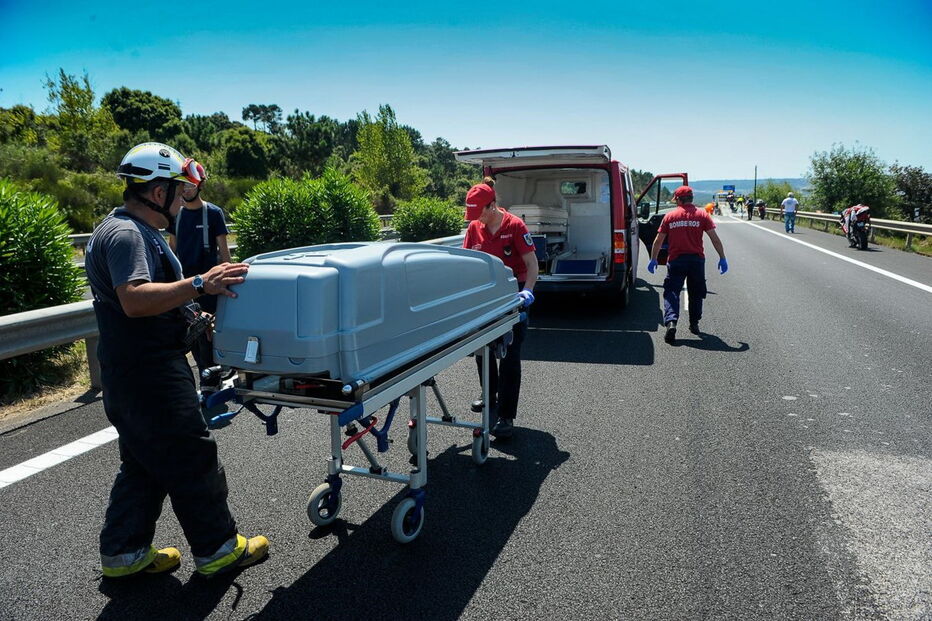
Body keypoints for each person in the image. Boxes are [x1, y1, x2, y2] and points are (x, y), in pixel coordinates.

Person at [85, 142, 268, 579]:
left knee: (144, 462)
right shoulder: (129, 234)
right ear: (158, 190)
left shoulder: (118, 228)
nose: (182, 198)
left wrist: (191, 312)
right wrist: (202, 282)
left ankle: (123, 554)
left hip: (129, 370)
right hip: (151, 374)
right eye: (176, 189)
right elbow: (134, 299)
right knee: (191, 454)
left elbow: (151, 298)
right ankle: (219, 548)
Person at [463, 177, 538, 439]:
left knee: (509, 355)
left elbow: (532, 265)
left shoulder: (515, 226)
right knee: (483, 351)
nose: (476, 219)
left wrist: (527, 291)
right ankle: (489, 395)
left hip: (512, 294)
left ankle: (506, 415)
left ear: (492, 206)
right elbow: (467, 265)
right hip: (486, 297)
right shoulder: (474, 228)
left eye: (479, 213)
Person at [168, 161, 232, 377]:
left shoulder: (213, 213)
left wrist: (229, 279)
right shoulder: (175, 215)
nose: (186, 189)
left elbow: (224, 252)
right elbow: (172, 248)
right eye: (182, 185)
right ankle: (208, 381)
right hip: (186, 288)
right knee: (194, 339)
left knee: (211, 336)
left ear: (200, 185)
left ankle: (218, 377)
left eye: (191, 184)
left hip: (210, 288)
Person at [646, 185, 727, 344]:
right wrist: (722, 257)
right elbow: (714, 239)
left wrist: (653, 259)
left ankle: (671, 323)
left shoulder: (670, 216)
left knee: (671, 291)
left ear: (678, 199)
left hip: (676, 260)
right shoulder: (702, 215)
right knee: (696, 292)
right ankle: (694, 323)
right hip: (697, 260)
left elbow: (658, 241)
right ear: (691, 198)